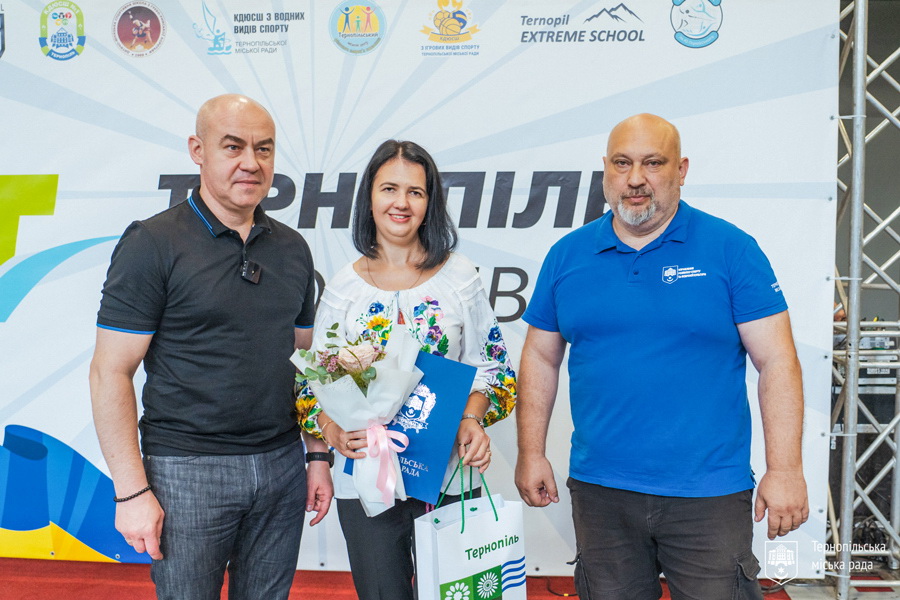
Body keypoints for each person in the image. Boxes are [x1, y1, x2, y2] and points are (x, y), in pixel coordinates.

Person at [514, 113, 808, 599]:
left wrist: (785, 470)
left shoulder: (731, 249)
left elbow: (777, 360)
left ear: (681, 169)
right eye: (622, 163)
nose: (635, 178)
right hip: (601, 492)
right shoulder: (567, 255)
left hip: (708, 494)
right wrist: (531, 452)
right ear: (605, 169)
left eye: (653, 163)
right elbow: (540, 358)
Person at [89, 94, 333, 600]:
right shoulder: (152, 243)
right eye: (233, 147)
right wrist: (131, 491)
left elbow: (305, 365)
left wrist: (316, 455)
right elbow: (109, 372)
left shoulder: (293, 248)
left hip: (281, 465)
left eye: (264, 149)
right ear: (198, 150)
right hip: (186, 470)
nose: (252, 163)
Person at [295, 140, 517, 600]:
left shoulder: (460, 278)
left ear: (430, 203)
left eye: (415, 192)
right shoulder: (343, 289)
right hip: (367, 481)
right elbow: (310, 386)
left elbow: (495, 369)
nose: (401, 203)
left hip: (449, 475)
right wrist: (333, 431)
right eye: (389, 189)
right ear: (368, 198)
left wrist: (472, 418)